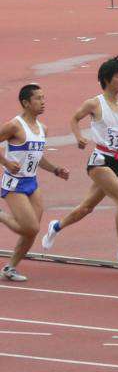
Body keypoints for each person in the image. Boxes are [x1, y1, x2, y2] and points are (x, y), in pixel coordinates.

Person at [41, 56, 118, 264]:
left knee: (86, 208)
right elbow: (74, 118)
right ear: (106, 79)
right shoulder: (95, 104)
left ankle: (56, 227)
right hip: (99, 160)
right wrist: (78, 136)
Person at [0, 84, 69, 281]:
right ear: (25, 103)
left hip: (31, 182)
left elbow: (37, 158)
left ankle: (10, 268)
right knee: (30, 228)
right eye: (38, 98)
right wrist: (5, 162)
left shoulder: (42, 129)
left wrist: (56, 170)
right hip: (14, 183)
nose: (42, 102)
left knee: (31, 232)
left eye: (43, 97)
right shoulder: (14, 125)